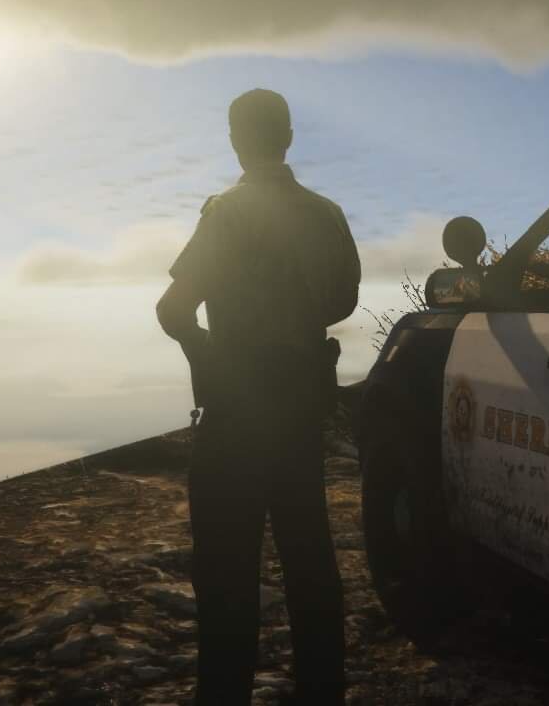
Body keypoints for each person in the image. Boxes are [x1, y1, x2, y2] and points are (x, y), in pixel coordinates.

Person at [156, 88, 360, 705]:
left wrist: (207, 354)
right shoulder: (327, 214)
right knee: (310, 561)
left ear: (235, 141)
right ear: (289, 137)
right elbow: (343, 300)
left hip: (235, 418)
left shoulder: (226, 212)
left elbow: (173, 309)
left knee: (226, 575)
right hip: (299, 413)